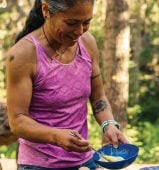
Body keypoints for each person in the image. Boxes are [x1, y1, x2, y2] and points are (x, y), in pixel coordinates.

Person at [6, 0, 129, 169]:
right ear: (46, 10)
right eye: (71, 23)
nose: (79, 31)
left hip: (84, 160)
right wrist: (56, 136)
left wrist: (109, 124)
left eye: (86, 23)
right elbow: (17, 121)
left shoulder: (87, 43)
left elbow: (99, 96)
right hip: (39, 165)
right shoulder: (23, 55)